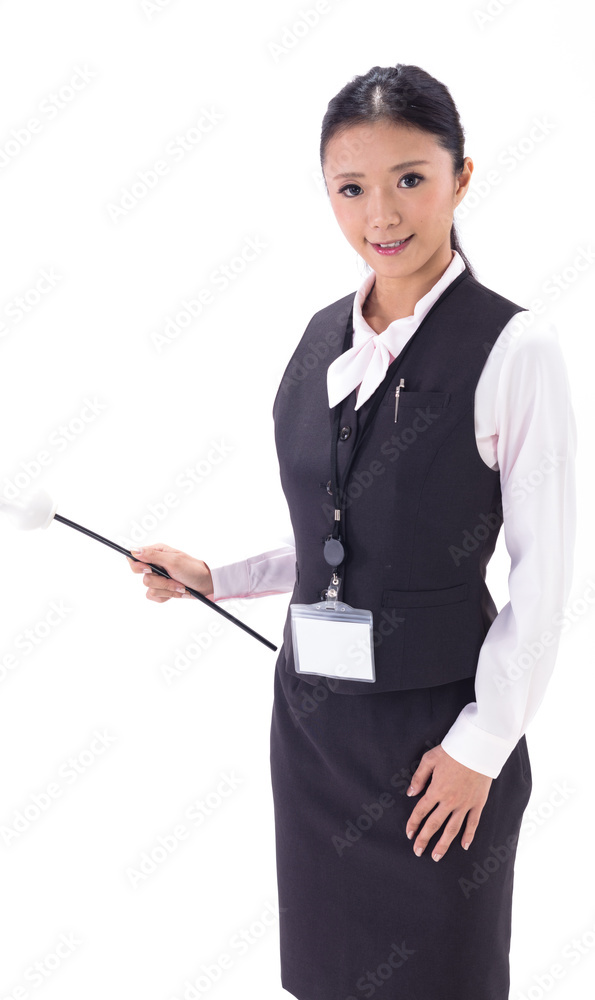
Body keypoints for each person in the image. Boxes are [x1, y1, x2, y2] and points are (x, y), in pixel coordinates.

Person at [127, 63, 576, 1000]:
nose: (381, 213)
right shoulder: (320, 337)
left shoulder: (514, 348)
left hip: (437, 748)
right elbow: (350, 535)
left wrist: (483, 745)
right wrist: (216, 576)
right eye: (350, 188)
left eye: (409, 178)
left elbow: (545, 575)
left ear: (460, 176)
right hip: (315, 737)